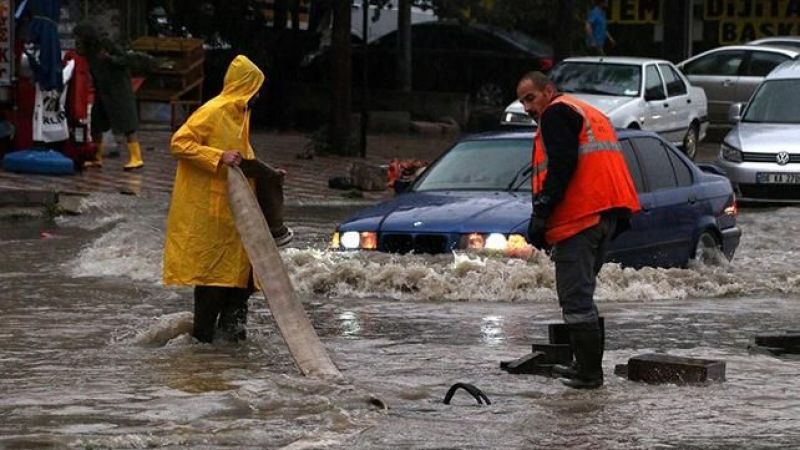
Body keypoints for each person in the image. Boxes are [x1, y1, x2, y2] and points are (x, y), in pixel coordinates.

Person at [516, 71, 640, 389]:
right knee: (583, 297)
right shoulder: (588, 112)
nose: (527, 107)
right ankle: (586, 368)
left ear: (549, 91)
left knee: (575, 299)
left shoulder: (556, 113)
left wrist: (542, 212)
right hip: (605, 215)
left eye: (530, 98)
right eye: (522, 102)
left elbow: (562, 164)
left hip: (580, 219)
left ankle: (588, 373)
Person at [163, 54, 293, 344]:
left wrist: (269, 174)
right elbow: (179, 143)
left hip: (237, 220)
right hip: (212, 218)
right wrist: (217, 157)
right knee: (212, 285)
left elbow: (242, 158)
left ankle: (231, 358)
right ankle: (202, 352)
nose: (259, 94)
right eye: (255, 87)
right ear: (246, 85)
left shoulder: (240, 116)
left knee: (241, 287)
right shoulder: (213, 111)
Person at [73, 22, 143, 170]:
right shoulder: (87, 50)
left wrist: (110, 58)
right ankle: (97, 157)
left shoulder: (105, 43)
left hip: (118, 89)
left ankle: (136, 157)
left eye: (78, 38)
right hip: (103, 90)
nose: (76, 41)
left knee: (126, 123)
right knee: (97, 122)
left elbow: (125, 59)